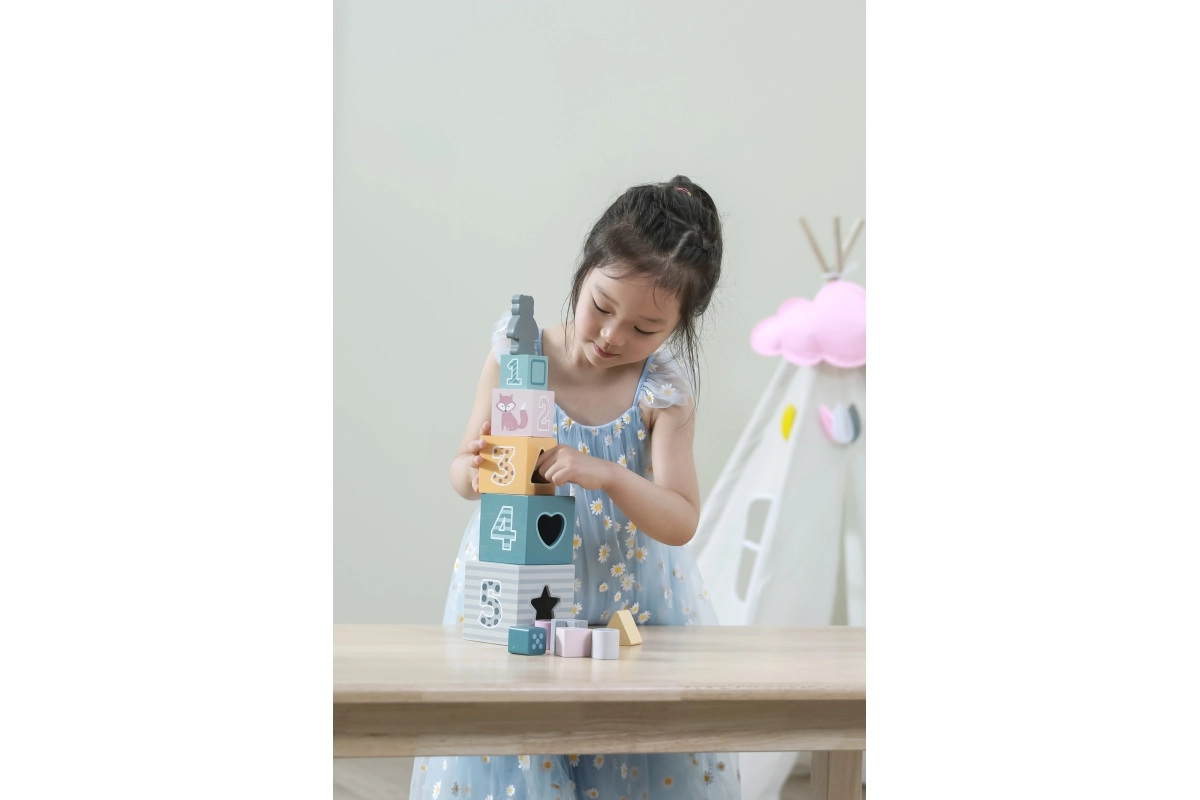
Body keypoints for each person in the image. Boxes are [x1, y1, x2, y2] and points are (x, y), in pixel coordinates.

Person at [411, 176, 740, 800]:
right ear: (585, 269)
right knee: (517, 754)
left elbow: (680, 518)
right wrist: (475, 472)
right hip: (516, 592)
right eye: (602, 306)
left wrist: (606, 472)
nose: (614, 336)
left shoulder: (661, 390)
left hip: (626, 605)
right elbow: (461, 470)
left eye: (645, 328)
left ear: (678, 327)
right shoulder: (518, 355)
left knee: (627, 758)